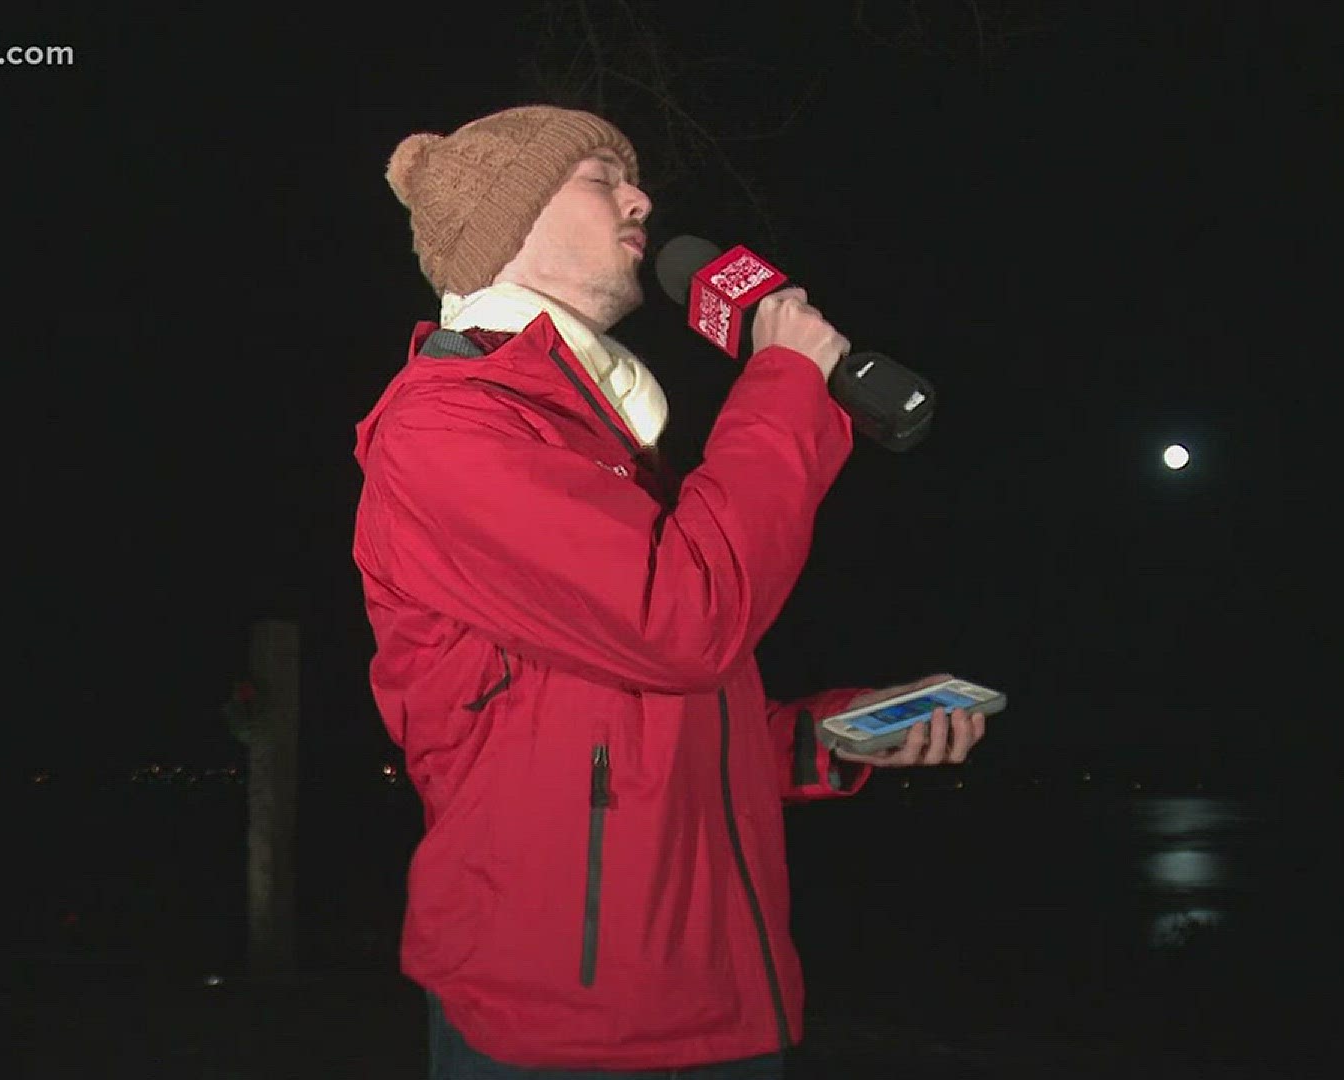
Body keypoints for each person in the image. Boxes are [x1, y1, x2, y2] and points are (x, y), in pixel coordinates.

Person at [352, 104, 987, 1078]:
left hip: (720, 1005)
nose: (640, 195)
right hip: (565, 1030)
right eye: (602, 175)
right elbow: (682, 622)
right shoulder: (447, 431)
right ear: (508, 224)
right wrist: (783, 382)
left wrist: (835, 732)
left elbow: (645, 731)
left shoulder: (595, 440)